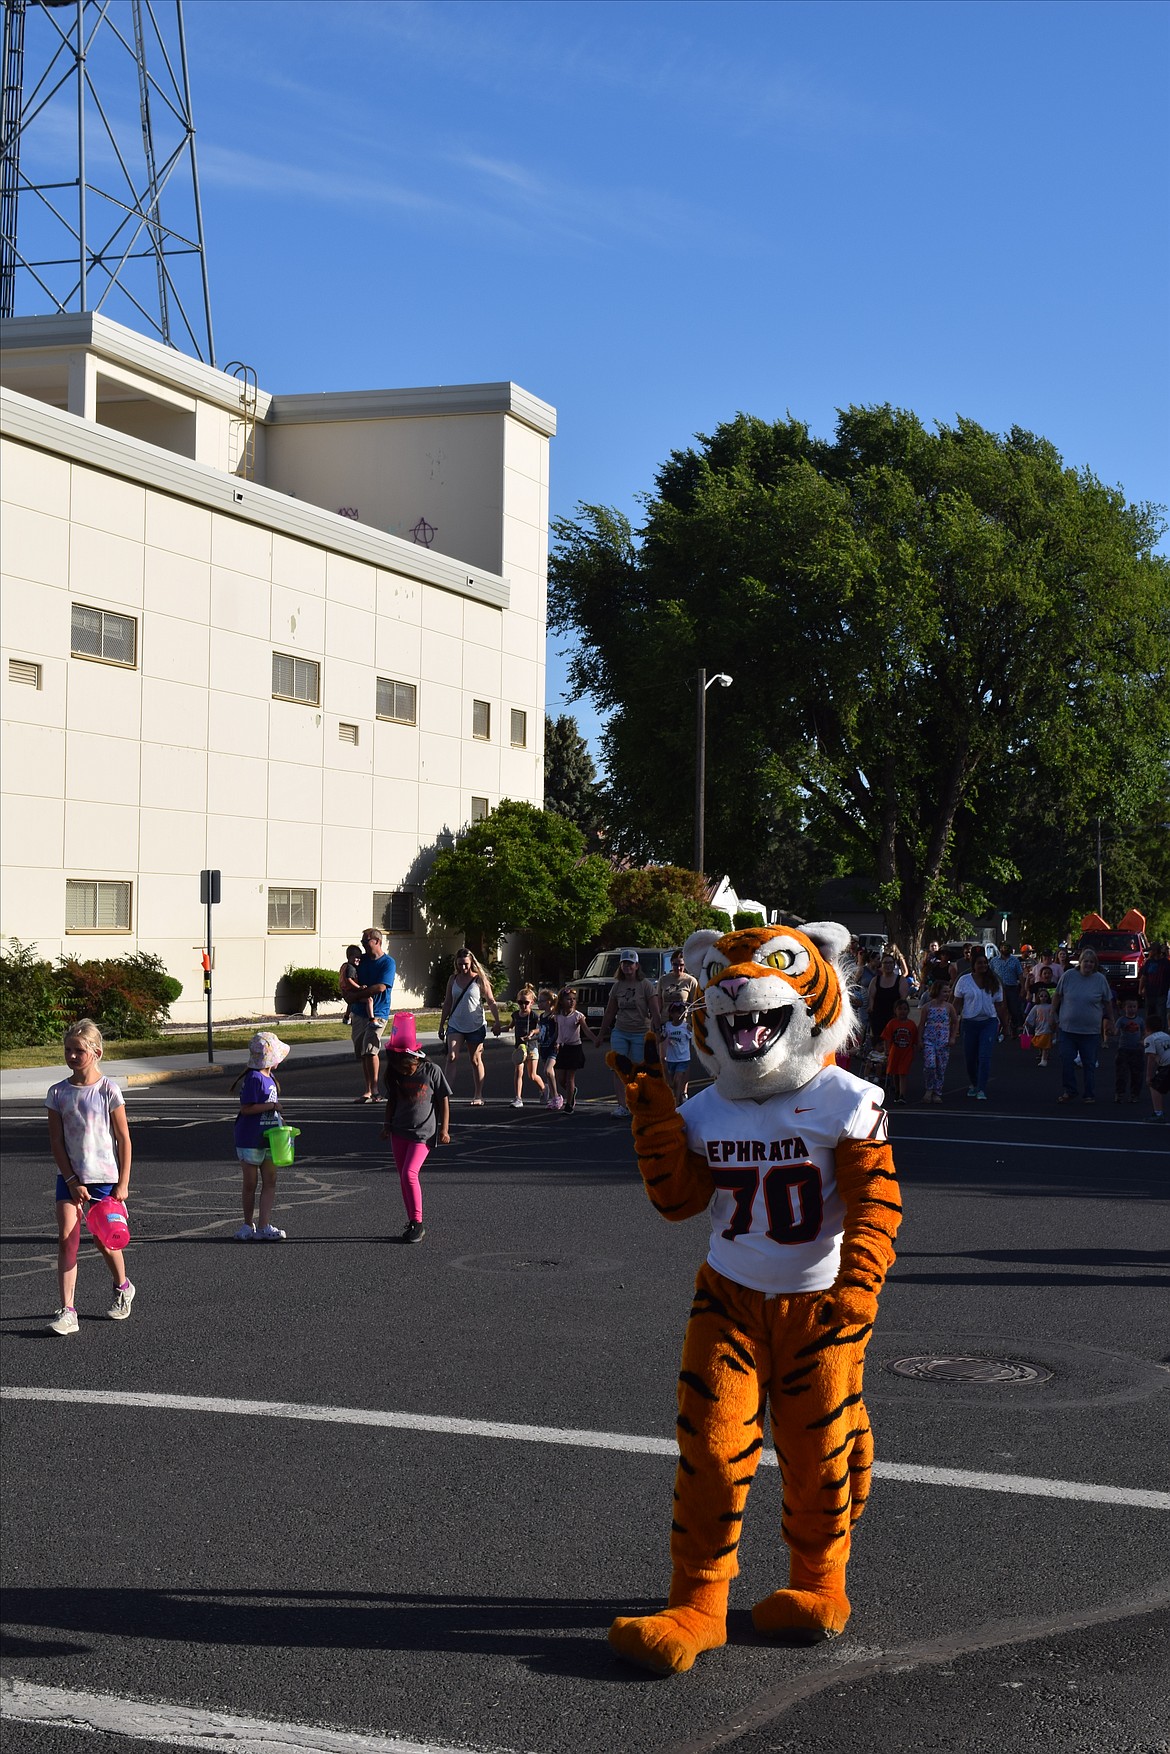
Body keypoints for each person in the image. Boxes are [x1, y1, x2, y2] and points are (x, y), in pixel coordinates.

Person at [45, 1019, 134, 1334]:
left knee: (103, 1241)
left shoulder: (108, 1089)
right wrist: (70, 1180)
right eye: (67, 1050)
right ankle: (68, 1311)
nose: (71, 1056)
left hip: (104, 1179)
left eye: (78, 1050)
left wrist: (122, 1183)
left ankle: (122, 1286)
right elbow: (56, 1142)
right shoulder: (57, 1092)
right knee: (67, 1240)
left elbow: (123, 1138)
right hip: (69, 1178)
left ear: (96, 1052)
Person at [381, 1013, 451, 1243]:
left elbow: (443, 1100)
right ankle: (412, 1220)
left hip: (424, 1132)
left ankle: (418, 1222)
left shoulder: (432, 1071)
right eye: (398, 1067)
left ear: (414, 1059)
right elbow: (392, 1100)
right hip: (399, 1130)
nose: (402, 1071)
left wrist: (444, 1129)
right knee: (403, 1176)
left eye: (406, 1067)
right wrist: (387, 1124)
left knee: (410, 1173)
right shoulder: (393, 1072)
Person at [231, 1031, 290, 1240]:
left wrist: (280, 1122)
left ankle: (264, 1224)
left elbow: (269, 1111)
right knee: (250, 1183)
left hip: (269, 1138)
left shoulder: (270, 1076)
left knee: (270, 1180)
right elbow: (246, 1108)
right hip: (249, 1138)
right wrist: (272, 1105)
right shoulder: (254, 1078)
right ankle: (248, 1225)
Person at [438, 948, 502, 1105]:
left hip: (475, 1025)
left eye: (466, 964)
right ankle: (444, 1095)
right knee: (451, 1057)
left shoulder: (479, 979)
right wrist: (441, 1025)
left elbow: (491, 1001)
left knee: (475, 1060)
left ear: (472, 962)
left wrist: (497, 1022)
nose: (463, 968)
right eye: (460, 964)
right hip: (455, 1024)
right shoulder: (453, 979)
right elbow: (447, 1003)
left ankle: (478, 1095)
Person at [1052, 947, 1115, 1104]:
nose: (1088, 965)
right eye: (1085, 961)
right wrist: (1052, 1014)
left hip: (1090, 1031)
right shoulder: (1068, 976)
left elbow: (1107, 1002)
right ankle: (1070, 1090)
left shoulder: (1100, 979)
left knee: (1089, 1063)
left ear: (1095, 964)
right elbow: (1057, 995)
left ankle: (1089, 1093)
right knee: (1066, 1059)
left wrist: (1112, 1020)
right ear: (1079, 962)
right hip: (1067, 1028)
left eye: (1091, 962)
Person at [602, 950, 662, 1114]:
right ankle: (622, 1105)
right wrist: (600, 1034)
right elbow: (609, 1012)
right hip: (621, 1030)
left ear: (637, 966)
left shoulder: (646, 985)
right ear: (620, 966)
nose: (627, 966)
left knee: (637, 1069)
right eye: (624, 963)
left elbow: (655, 1011)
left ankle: (636, 1102)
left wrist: (657, 1031)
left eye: (630, 963)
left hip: (640, 1031)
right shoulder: (617, 986)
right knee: (618, 1067)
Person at [350, 927, 396, 1103]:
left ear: (376, 941)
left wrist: (356, 996)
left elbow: (381, 987)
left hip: (378, 1013)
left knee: (370, 1049)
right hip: (359, 1011)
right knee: (363, 1052)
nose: (362, 944)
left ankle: (375, 1090)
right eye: (362, 941)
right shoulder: (360, 961)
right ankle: (368, 1090)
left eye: (365, 941)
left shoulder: (388, 963)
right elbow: (349, 976)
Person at [953, 952, 1007, 1100]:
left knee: (984, 1057)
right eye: (979, 963)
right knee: (970, 1058)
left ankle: (981, 1088)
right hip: (969, 1023)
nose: (983, 965)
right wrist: (952, 1022)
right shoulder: (964, 981)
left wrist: (1006, 1025)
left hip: (988, 1022)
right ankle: (974, 1083)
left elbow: (1000, 1005)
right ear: (973, 966)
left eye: (985, 963)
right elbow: (956, 1004)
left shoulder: (994, 981)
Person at [554, 986, 597, 1113]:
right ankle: (571, 1091)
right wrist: (556, 1042)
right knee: (561, 1078)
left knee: (570, 1077)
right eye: (568, 999)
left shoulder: (578, 1016)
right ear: (561, 1001)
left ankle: (569, 1103)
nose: (571, 1001)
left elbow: (586, 1030)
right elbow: (558, 1032)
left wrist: (595, 1039)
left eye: (573, 999)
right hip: (563, 1048)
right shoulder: (558, 1016)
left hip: (574, 1048)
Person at [918, 980, 958, 1103]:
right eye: (944, 991)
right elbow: (921, 1024)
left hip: (943, 1041)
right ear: (937, 991)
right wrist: (919, 1039)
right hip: (929, 1039)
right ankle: (929, 1088)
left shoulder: (949, 1007)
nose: (947, 994)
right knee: (930, 1065)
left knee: (941, 1067)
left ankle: (937, 1092)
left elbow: (955, 1022)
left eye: (948, 991)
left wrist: (952, 1037)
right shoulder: (927, 1007)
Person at [509, 985, 546, 1109]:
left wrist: (532, 1033)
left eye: (526, 1003)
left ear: (532, 1003)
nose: (523, 1005)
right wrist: (498, 1028)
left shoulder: (534, 1016)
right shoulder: (515, 1015)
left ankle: (544, 1089)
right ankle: (518, 1098)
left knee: (532, 1075)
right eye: (520, 1002)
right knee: (518, 1071)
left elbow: (540, 1029)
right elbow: (510, 1026)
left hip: (532, 1047)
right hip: (520, 1048)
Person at [879, 998, 918, 1105]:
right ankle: (897, 1090)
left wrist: (916, 1050)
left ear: (908, 1011)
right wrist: (886, 1049)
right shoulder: (892, 1023)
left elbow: (914, 1039)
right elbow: (887, 1037)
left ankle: (902, 1095)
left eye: (905, 1009)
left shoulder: (911, 1024)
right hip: (895, 1053)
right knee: (895, 1073)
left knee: (903, 1073)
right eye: (900, 1009)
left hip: (906, 1053)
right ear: (895, 1011)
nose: (902, 1011)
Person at [866, 953, 909, 1049]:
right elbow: (871, 997)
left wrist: (900, 1015)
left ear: (894, 965)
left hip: (894, 1016)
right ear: (881, 965)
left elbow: (903, 999)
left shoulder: (901, 980)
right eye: (885, 963)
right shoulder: (875, 980)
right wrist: (871, 1009)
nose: (888, 965)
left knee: (893, 1044)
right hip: (878, 1016)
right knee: (878, 1044)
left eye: (890, 963)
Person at [1112, 999, 1146, 1104]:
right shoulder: (1121, 1020)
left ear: (1137, 1008)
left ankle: (1134, 1095)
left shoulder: (1140, 1020)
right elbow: (1116, 1031)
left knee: (1137, 1074)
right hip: (1123, 1049)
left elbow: (1145, 1032)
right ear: (1124, 1008)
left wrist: (1142, 1040)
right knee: (1121, 1074)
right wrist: (1110, 1031)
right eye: (1129, 1007)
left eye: (1134, 1006)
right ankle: (1119, 1094)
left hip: (1136, 1050)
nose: (1132, 1009)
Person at [660, 998, 694, 1104]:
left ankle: (678, 1102)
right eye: (677, 1012)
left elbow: (694, 1038)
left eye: (682, 1012)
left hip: (683, 1058)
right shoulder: (667, 1026)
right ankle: (676, 1098)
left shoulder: (686, 1027)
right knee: (672, 1083)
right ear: (671, 1014)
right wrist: (662, 1037)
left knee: (678, 1079)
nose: (679, 1015)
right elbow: (661, 1039)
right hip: (671, 1058)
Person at [535, 988, 563, 1111]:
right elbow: (541, 1031)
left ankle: (557, 1096)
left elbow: (558, 1030)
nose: (538, 1003)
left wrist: (558, 1041)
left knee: (548, 1070)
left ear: (548, 1002)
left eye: (541, 1001)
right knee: (547, 1074)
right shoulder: (542, 1016)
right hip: (543, 1046)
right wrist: (532, 1037)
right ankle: (553, 1098)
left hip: (553, 1047)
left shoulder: (554, 1016)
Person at [990, 944, 1025, 1040]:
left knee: (1013, 1009)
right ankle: (997, 1030)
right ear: (1000, 949)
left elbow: (1020, 975)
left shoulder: (1015, 961)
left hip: (1011, 988)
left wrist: (1023, 988)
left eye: (1007, 947)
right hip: (997, 988)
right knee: (997, 1009)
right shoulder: (994, 961)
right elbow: (990, 974)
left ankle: (1013, 1028)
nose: (1005, 949)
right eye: (1003, 947)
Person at [1143, 1015, 1170, 1123]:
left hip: (1167, 1066)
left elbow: (1151, 1058)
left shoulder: (1149, 1039)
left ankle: (1158, 1113)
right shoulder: (1166, 1036)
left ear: (1147, 1028)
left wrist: (1149, 1076)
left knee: (1154, 1086)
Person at [658, 949, 699, 1015]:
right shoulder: (663, 980)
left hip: (683, 1022)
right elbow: (659, 1003)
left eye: (681, 965)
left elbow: (695, 1005)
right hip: (665, 1020)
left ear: (685, 965)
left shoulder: (691, 981)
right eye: (675, 965)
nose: (678, 968)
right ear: (671, 963)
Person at [1139, 943, 1170, 1030]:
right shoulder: (1149, 962)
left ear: (1155, 951)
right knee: (1149, 1013)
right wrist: (1140, 989)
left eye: (1151, 951)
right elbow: (1144, 976)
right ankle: (1149, 1030)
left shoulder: (1166, 963)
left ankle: (1162, 1031)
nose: (1149, 953)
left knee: (1161, 1014)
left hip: (1161, 992)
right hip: (1149, 992)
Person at [1023, 987, 1055, 1069]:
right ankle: (1043, 1055)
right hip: (1038, 1028)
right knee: (1039, 1043)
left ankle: (1044, 1060)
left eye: (1045, 996)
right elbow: (1031, 1015)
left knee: (1045, 1045)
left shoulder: (1050, 1006)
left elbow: (1054, 1017)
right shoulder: (1036, 1007)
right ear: (1038, 997)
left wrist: (1055, 1026)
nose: (1043, 998)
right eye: (1041, 996)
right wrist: (1027, 1022)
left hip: (1047, 1028)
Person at [338, 943, 367, 1026]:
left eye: (360, 957)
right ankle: (371, 1018)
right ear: (349, 957)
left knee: (351, 1004)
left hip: (345, 990)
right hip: (349, 990)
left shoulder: (345, 966)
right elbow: (349, 979)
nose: (359, 959)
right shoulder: (351, 968)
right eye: (356, 957)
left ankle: (346, 1017)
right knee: (367, 1001)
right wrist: (359, 987)